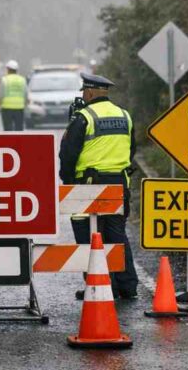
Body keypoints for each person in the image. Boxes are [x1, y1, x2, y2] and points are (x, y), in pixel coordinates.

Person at [59, 71, 139, 300]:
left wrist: (68, 182)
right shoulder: (125, 115)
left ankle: (98, 285)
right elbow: (132, 149)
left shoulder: (83, 117)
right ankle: (127, 286)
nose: (83, 95)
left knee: (87, 235)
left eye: (85, 91)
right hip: (118, 183)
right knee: (116, 234)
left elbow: (68, 154)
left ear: (91, 92)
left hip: (88, 185)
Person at [0, 59, 27, 130]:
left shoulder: (4, 79)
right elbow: (25, 93)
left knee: (8, 129)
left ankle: (9, 141)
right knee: (19, 128)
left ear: (8, 69)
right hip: (19, 107)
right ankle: (19, 141)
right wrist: (25, 104)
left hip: (6, 108)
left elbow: (1, 95)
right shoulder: (22, 79)